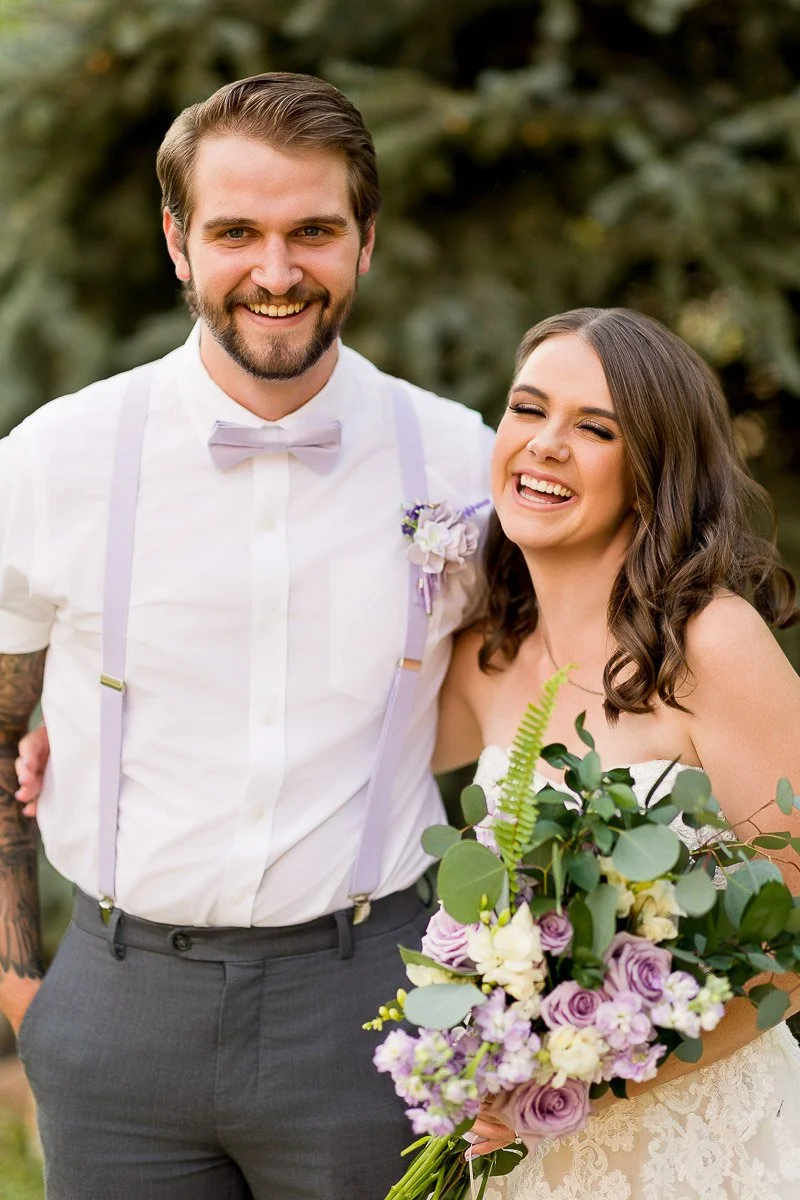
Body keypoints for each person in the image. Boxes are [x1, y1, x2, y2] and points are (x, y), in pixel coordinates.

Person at [0, 72, 491, 1200]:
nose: (275, 273)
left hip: (374, 1002)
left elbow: (550, 694)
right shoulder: (53, 459)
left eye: (312, 230)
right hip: (120, 1012)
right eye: (235, 233)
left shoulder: (461, 462)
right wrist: (31, 996)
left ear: (364, 239)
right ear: (178, 242)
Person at [431, 307, 800, 1198]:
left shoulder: (712, 643)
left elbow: (795, 936)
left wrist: (594, 1080)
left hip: (702, 1144)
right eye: (529, 410)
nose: (546, 444)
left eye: (595, 429)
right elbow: (317, 746)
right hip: (527, 1159)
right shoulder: (486, 657)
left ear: (650, 474)